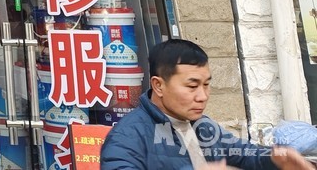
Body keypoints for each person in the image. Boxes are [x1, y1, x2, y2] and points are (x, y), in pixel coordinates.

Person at [101, 39, 314, 169]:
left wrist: (275, 158)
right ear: (158, 86)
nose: (202, 96)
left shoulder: (204, 127)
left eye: (206, 85)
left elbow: (243, 154)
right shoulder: (128, 136)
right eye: (192, 86)